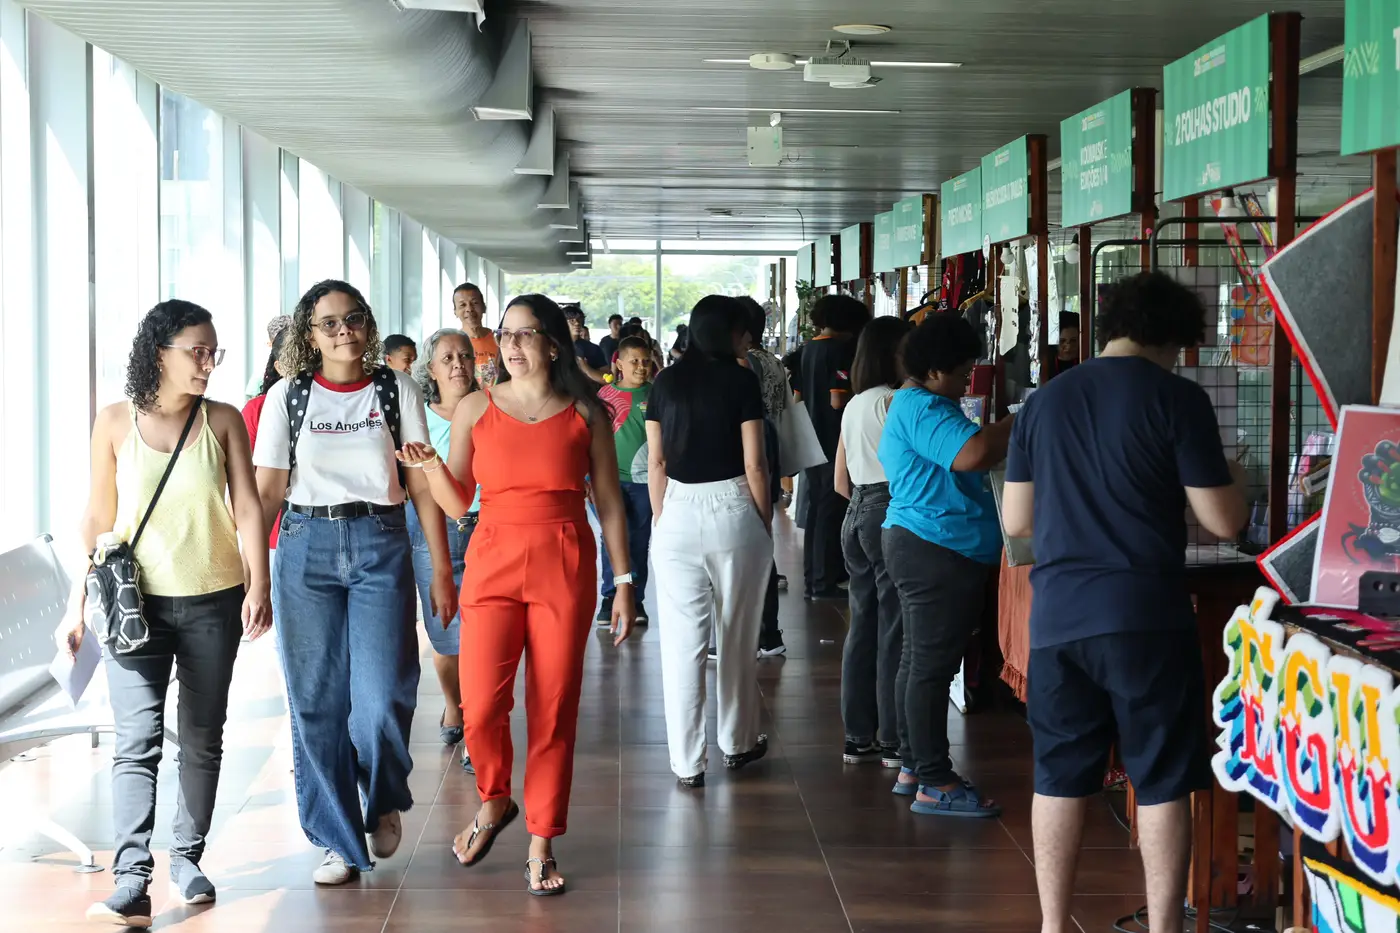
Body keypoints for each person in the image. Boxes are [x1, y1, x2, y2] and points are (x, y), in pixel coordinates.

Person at [1000, 272, 1248, 933]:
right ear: (1171, 335)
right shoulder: (1178, 399)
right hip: (1146, 616)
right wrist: (1239, 478)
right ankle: (1165, 925)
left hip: (1057, 620)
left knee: (1057, 774)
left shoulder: (1042, 403)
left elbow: (1016, 516)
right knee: (1163, 775)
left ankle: (1054, 924)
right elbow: (1223, 519)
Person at [397, 293, 635, 896]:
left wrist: (626, 584)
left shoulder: (585, 413)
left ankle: (542, 840)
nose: (510, 345)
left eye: (524, 335)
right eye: (505, 335)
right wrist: (427, 466)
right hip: (493, 555)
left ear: (552, 343)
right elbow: (457, 503)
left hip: (564, 557)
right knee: (479, 704)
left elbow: (608, 501)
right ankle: (494, 800)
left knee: (554, 708)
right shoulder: (477, 408)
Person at [56, 299, 271, 926]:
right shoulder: (115, 423)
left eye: (214, 352)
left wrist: (258, 582)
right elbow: (97, 520)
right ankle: (131, 879)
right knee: (137, 742)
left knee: (202, 738)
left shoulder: (224, 420)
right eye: (197, 352)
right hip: (132, 605)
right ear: (160, 354)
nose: (209, 363)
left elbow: (250, 507)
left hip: (214, 599)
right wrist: (75, 604)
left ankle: (188, 856)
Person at [253, 279, 457, 886]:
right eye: (329, 324)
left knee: (384, 694)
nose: (344, 331)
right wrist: (255, 579)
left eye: (353, 319)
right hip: (304, 548)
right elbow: (267, 492)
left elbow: (420, 483)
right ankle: (337, 839)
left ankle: (384, 793)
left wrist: (440, 565)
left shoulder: (396, 390)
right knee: (316, 701)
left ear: (366, 325)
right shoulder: (288, 396)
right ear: (309, 337)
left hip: (380, 544)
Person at [879, 311, 1012, 818]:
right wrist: (1020, 421)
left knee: (920, 662)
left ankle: (915, 762)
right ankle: (934, 780)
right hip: (936, 547)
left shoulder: (920, 402)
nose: (964, 384)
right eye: (961, 373)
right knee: (931, 668)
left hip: (930, 543)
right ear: (934, 371)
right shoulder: (924, 407)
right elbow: (973, 453)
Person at [646, 295, 773, 788]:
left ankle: (686, 763)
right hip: (733, 507)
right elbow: (755, 464)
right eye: (744, 330)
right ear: (727, 333)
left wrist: (663, 518)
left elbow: (656, 464)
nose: (748, 339)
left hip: (675, 509)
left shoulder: (665, 381)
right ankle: (738, 744)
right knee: (738, 635)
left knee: (681, 644)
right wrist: (762, 522)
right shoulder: (741, 380)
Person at [834, 316, 911, 767]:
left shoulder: (856, 403)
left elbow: (841, 480)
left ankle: (857, 735)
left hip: (856, 509)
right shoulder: (896, 402)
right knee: (894, 627)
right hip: (887, 508)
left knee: (862, 625)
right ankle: (891, 738)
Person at [409, 328, 480, 756]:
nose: (458, 364)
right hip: (432, 530)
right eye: (448, 358)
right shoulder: (417, 416)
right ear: (431, 369)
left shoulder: (491, 408)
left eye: (465, 356)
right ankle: (454, 705)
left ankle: (477, 728)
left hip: (485, 527)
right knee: (445, 634)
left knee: (483, 635)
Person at [799, 294, 869, 599]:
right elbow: (838, 398)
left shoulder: (809, 348)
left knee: (817, 511)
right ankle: (825, 583)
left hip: (811, 437)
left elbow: (798, 397)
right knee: (831, 511)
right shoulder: (839, 350)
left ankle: (814, 577)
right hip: (832, 440)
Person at [736, 295, 788, 658]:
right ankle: (769, 631)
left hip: (743, 452)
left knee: (741, 541)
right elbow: (783, 408)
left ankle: (744, 631)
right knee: (762, 538)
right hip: (770, 448)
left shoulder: (740, 363)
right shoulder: (773, 361)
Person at [595, 335, 654, 626]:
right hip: (609, 481)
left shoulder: (657, 395)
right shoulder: (605, 396)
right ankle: (609, 596)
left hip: (645, 482)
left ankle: (636, 598)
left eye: (645, 361)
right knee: (612, 538)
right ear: (619, 364)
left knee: (639, 541)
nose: (641, 367)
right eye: (634, 361)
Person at [242, 325, 292, 550]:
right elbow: (242, 481)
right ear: (279, 367)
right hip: (271, 535)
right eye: (295, 359)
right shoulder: (257, 409)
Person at [454, 281, 500, 388]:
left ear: (484, 307)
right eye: (462, 305)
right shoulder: (454, 343)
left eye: (474, 303)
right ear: (455, 311)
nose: (469, 309)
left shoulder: (500, 339)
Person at [564, 304, 609, 384]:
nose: (577, 323)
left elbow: (607, 379)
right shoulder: (554, 346)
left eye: (579, 319)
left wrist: (586, 368)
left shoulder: (592, 348)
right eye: (572, 320)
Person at [1050, 312, 1081, 379]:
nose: (1068, 347)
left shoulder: (1085, 361)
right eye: (1062, 341)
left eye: (1073, 341)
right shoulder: (1046, 364)